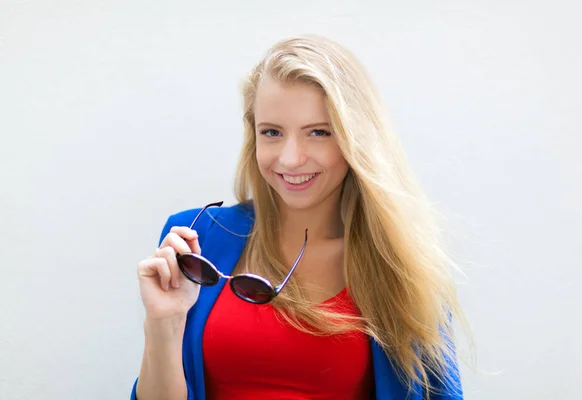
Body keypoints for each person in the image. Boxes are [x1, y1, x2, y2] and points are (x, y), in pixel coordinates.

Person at [131, 35, 465, 400]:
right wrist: (163, 323)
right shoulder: (196, 240)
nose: (290, 159)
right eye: (272, 132)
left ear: (356, 140)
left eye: (318, 133)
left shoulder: (398, 262)